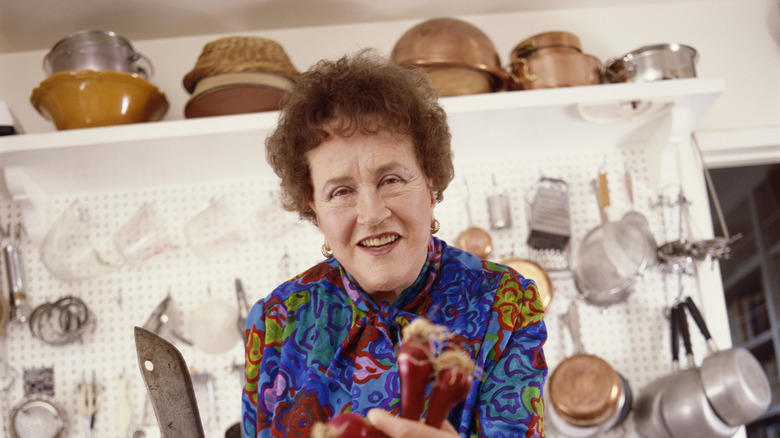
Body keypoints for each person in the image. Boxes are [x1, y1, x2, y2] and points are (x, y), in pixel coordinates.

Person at [241, 49, 547, 438]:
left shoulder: (505, 301)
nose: (371, 214)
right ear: (314, 208)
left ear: (430, 183)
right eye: (340, 191)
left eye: (391, 180)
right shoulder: (274, 321)